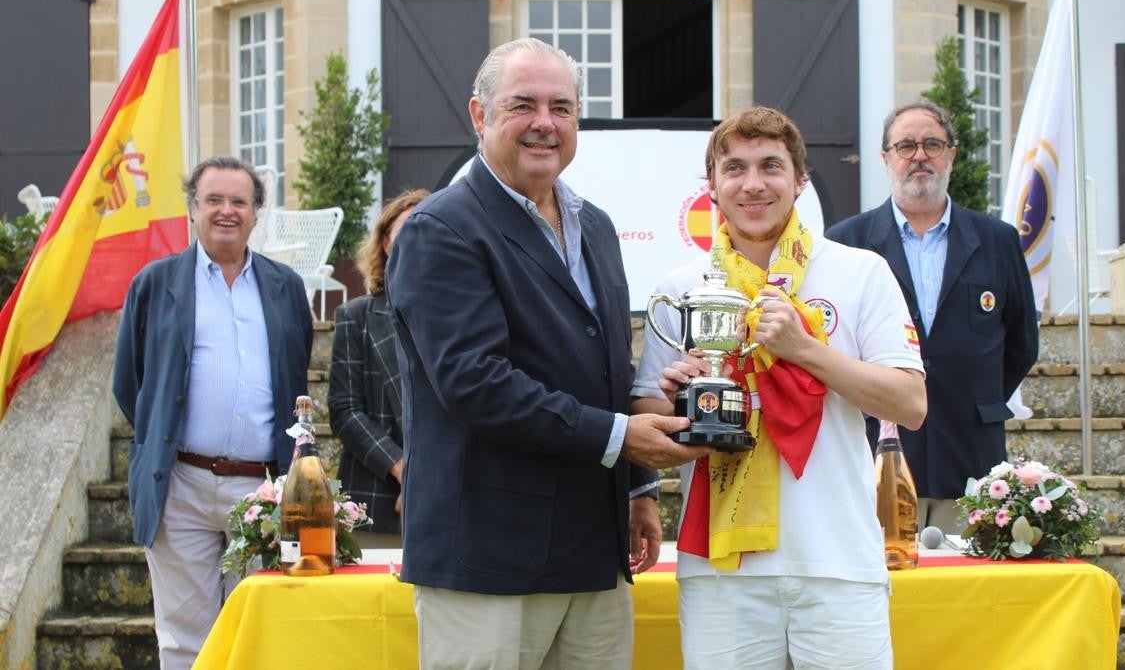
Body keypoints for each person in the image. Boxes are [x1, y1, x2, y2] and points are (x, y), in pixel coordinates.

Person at [386, 38, 708, 669]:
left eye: (561, 106)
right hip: (489, 559)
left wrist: (638, 486)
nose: (544, 122)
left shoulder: (598, 227)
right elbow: (476, 384)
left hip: (593, 552)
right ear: (479, 116)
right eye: (523, 104)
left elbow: (608, 368)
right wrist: (623, 439)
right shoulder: (442, 230)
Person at [632, 106, 928, 668]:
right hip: (723, 567)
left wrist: (805, 350)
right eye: (734, 168)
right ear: (713, 188)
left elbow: (910, 405)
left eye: (771, 166)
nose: (752, 184)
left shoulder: (860, 271)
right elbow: (648, 407)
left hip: (838, 558)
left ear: (799, 181)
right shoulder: (680, 288)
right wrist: (679, 395)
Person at [112, 155, 313, 669]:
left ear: (256, 212)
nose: (227, 211)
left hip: (261, 490)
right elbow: (130, 383)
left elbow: (295, 377)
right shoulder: (155, 284)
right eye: (214, 200)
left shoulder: (287, 288)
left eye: (239, 201)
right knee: (184, 639)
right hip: (179, 483)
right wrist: (162, 437)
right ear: (192, 209)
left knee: (260, 632)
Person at [825, 100, 1039, 534]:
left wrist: (973, 395)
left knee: (966, 592)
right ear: (886, 158)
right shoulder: (846, 243)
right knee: (886, 592)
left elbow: (1021, 344)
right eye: (905, 146)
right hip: (876, 452)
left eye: (932, 144)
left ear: (952, 155)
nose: (919, 156)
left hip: (971, 455)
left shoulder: (997, 240)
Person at [328, 188, 429, 549]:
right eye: (407, 231)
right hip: (376, 502)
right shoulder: (356, 317)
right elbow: (345, 412)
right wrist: (407, 471)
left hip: (452, 501)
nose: (418, 242)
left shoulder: (464, 320)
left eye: (429, 231)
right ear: (386, 242)